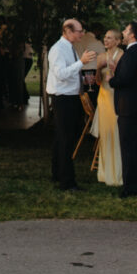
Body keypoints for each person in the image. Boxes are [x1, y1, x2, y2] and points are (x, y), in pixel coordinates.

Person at [46, 19, 97, 191]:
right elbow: (61, 74)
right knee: (66, 139)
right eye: (79, 31)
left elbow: (71, 71)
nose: (82, 34)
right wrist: (81, 62)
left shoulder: (69, 47)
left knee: (63, 138)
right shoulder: (58, 50)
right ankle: (67, 181)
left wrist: (83, 76)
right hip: (63, 98)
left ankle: (57, 173)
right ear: (68, 31)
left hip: (71, 96)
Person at [109, 22, 137, 198]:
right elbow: (136, 76)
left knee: (128, 147)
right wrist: (118, 71)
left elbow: (125, 80)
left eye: (126, 31)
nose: (123, 33)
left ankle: (130, 187)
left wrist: (112, 79)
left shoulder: (130, 54)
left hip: (128, 106)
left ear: (132, 35)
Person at [91, 29, 124, 186]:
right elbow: (98, 81)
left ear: (117, 41)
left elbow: (125, 78)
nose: (106, 40)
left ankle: (118, 172)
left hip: (118, 98)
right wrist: (98, 69)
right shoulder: (101, 56)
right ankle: (105, 172)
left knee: (117, 133)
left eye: (109, 38)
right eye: (105, 37)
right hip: (104, 98)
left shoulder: (123, 56)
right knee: (106, 134)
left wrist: (114, 67)